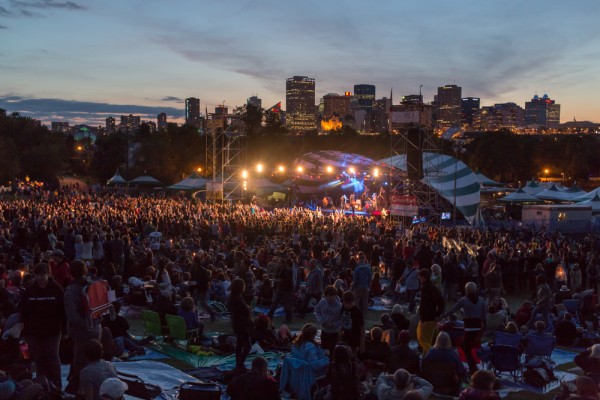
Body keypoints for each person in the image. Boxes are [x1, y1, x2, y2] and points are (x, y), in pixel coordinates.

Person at [20, 262, 65, 389]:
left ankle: (57, 386)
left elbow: (62, 311)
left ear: (48, 274)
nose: (40, 277)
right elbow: (23, 311)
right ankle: (42, 386)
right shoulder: (30, 290)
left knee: (53, 358)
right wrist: (25, 329)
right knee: (39, 359)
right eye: (38, 275)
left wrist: (65, 329)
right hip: (34, 331)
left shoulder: (56, 289)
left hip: (53, 331)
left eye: (43, 274)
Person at [64, 260, 102, 395]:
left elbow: (72, 315)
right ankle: (95, 386)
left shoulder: (71, 291)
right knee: (95, 359)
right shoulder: (93, 284)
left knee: (80, 360)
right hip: (96, 326)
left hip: (82, 330)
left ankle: (82, 388)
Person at [439, 282, 486, 374]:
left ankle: (473, 368)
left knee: (466, 348)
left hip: (469, 328)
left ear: (467, 290)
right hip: (478, 327)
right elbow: (484, 316)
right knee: (467, 347)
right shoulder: (481, 300)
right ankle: (473, 365)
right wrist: (483, 329)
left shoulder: (464, 300)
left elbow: (453, 309)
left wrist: (443, 316)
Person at [227, 278, 253, 371]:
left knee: (239, 344)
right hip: (242, 324)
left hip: (236, 323)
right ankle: (240, 364)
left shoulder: (232, 297)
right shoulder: (238, 298)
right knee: (247, 346)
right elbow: (245, 310)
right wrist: (248, 308)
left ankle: (238, 363)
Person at [417, 268, 444, 354]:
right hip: (433, 317)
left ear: (423, 277)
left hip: (427, 318)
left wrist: (422, 319)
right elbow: (441, 302)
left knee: (424, 341)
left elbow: (424, 305)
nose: (419, 279)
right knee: (428, 339)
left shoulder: (425, 288)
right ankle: (427, 356)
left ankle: (430, 356)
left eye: (420, 277)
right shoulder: (434, 288)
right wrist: (438, 314)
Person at [314, 285, 342, 354]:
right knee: (323, 348)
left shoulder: (339, 306)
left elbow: (341, 319)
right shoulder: (322, 302)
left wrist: (333, 324)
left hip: (334, 332)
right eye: (329, 296)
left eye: (333, 296)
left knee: (332, 349)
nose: (331, 298)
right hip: (324, 330)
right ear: (325, 296)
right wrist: (321, 320)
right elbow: (317, 311)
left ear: (336, 295)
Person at [267, 259, 295, 323]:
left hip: (286, 290)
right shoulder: (284, 270)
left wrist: (277, 280)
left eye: (279, 262)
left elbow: (286, 280)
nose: (278, 264)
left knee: (285, 304)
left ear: (282, 264)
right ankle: (270, 316)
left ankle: (288, 318)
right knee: (276, 303)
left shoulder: (287, 271)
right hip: (282, 289)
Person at [352, 252, 371, 317]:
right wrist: (369, 285)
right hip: (365, 286)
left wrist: (353, 286)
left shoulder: (357, 269)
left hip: (358, 286)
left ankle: (357, 313)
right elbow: (370, 277)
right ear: (364, 259)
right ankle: (364, 314)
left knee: (357, 300)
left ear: (359, 260)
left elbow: (355, 279)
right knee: (365, 301)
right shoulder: (368, 268)